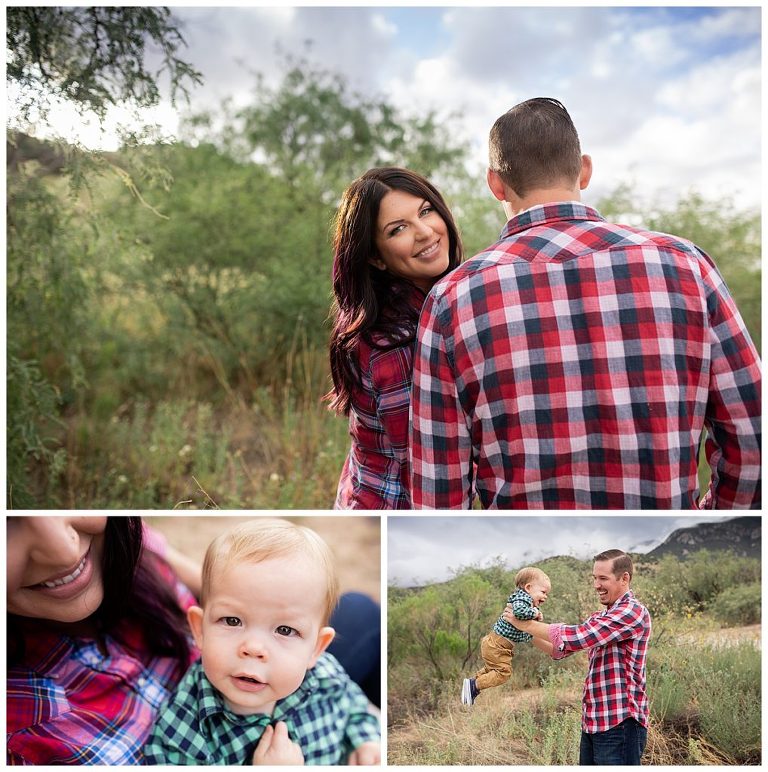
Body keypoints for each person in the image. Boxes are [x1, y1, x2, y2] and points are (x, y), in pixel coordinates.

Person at [410, 97, 761, 509]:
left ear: (496, 184)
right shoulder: (687, 266)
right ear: (584, 169)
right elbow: (752, 434)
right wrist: (713, 519)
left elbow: (438, 490)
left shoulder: (451, 299)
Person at [143, 519, 381, 765]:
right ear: (199, 630)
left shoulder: (327, 675)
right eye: (232, 621)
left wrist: (366, 740)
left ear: (316, 649)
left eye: (285, 629)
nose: (254, 648)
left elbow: (354, 707)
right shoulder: (183, 729)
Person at [6, 516, 195, 765]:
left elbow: (225, 592)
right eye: (7, 526)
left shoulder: (121, 537)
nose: (63, 551)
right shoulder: (18, 744)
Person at [328, 166, 464, 509]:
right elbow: (427, 458)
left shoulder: (429, 306)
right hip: (392, 508)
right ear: (375, 257)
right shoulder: (394, 342)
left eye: (426, 211)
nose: (425, 232)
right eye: (398, 229)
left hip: (361, 494)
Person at [509, 550, 651, 766]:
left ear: (624, 579)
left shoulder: (632, 612)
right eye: (595, 578)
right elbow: (560, 649)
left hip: (620, 723)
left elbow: (576, 637)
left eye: (603, 578)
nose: (596, 585)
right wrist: (520, 631)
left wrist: (523, 623)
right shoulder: (601, 616)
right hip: (594, 723)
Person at [461, 566, 552, 706]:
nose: (545, 596)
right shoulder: (523, 599)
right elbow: (520, 612)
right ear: (528, 587)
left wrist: (534, 620)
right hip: (497, 645)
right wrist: (535, 613)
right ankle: (475, 685)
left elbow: (523, 629)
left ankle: (472, 687)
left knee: (493, 670)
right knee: (503, 673)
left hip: (496, 645)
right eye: (543, 592)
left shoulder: (524, 600)